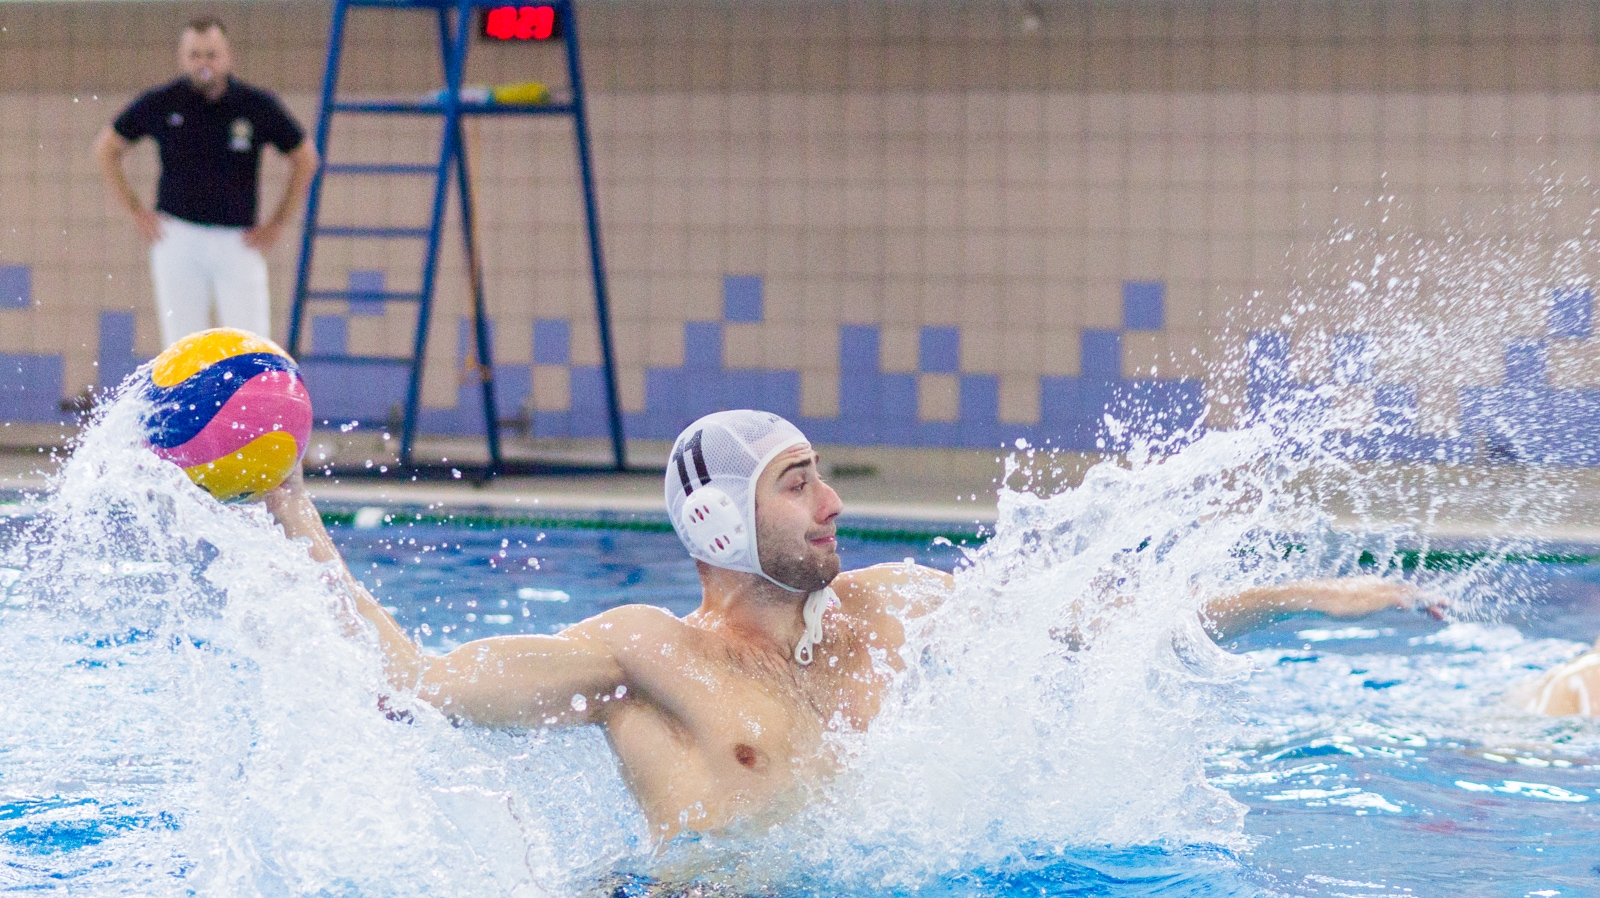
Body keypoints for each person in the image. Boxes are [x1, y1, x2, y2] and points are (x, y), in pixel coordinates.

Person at [264, 410, 1440, 841]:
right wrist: (286, 506)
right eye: (796, 481)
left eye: (821, 476)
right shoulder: (642, 655)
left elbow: (1111, 622)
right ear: (720, 517)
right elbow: (403, 675)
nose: (832, 504)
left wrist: (1314, 598)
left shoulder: (888, 607)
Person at [94, 17, 318, 348]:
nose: (203, 63)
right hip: (178, 237)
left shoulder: (255, 106)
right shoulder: (163, 102)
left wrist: (278, 222)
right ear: (182, 58)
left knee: (251, 346)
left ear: (228, 56)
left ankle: (251, 401)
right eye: (195, 55)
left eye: (211, 55)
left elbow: (306, 158)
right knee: (183, 348)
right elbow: (106, 150)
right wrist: (136, 210)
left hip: (238, 240)